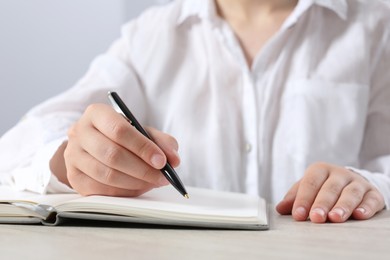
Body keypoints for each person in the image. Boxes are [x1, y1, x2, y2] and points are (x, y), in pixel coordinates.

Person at [0, 0, 389, 224]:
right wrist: (69, 160)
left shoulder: (377, 28)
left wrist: (370, 185)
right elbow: (16, 144)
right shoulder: (150, 36)